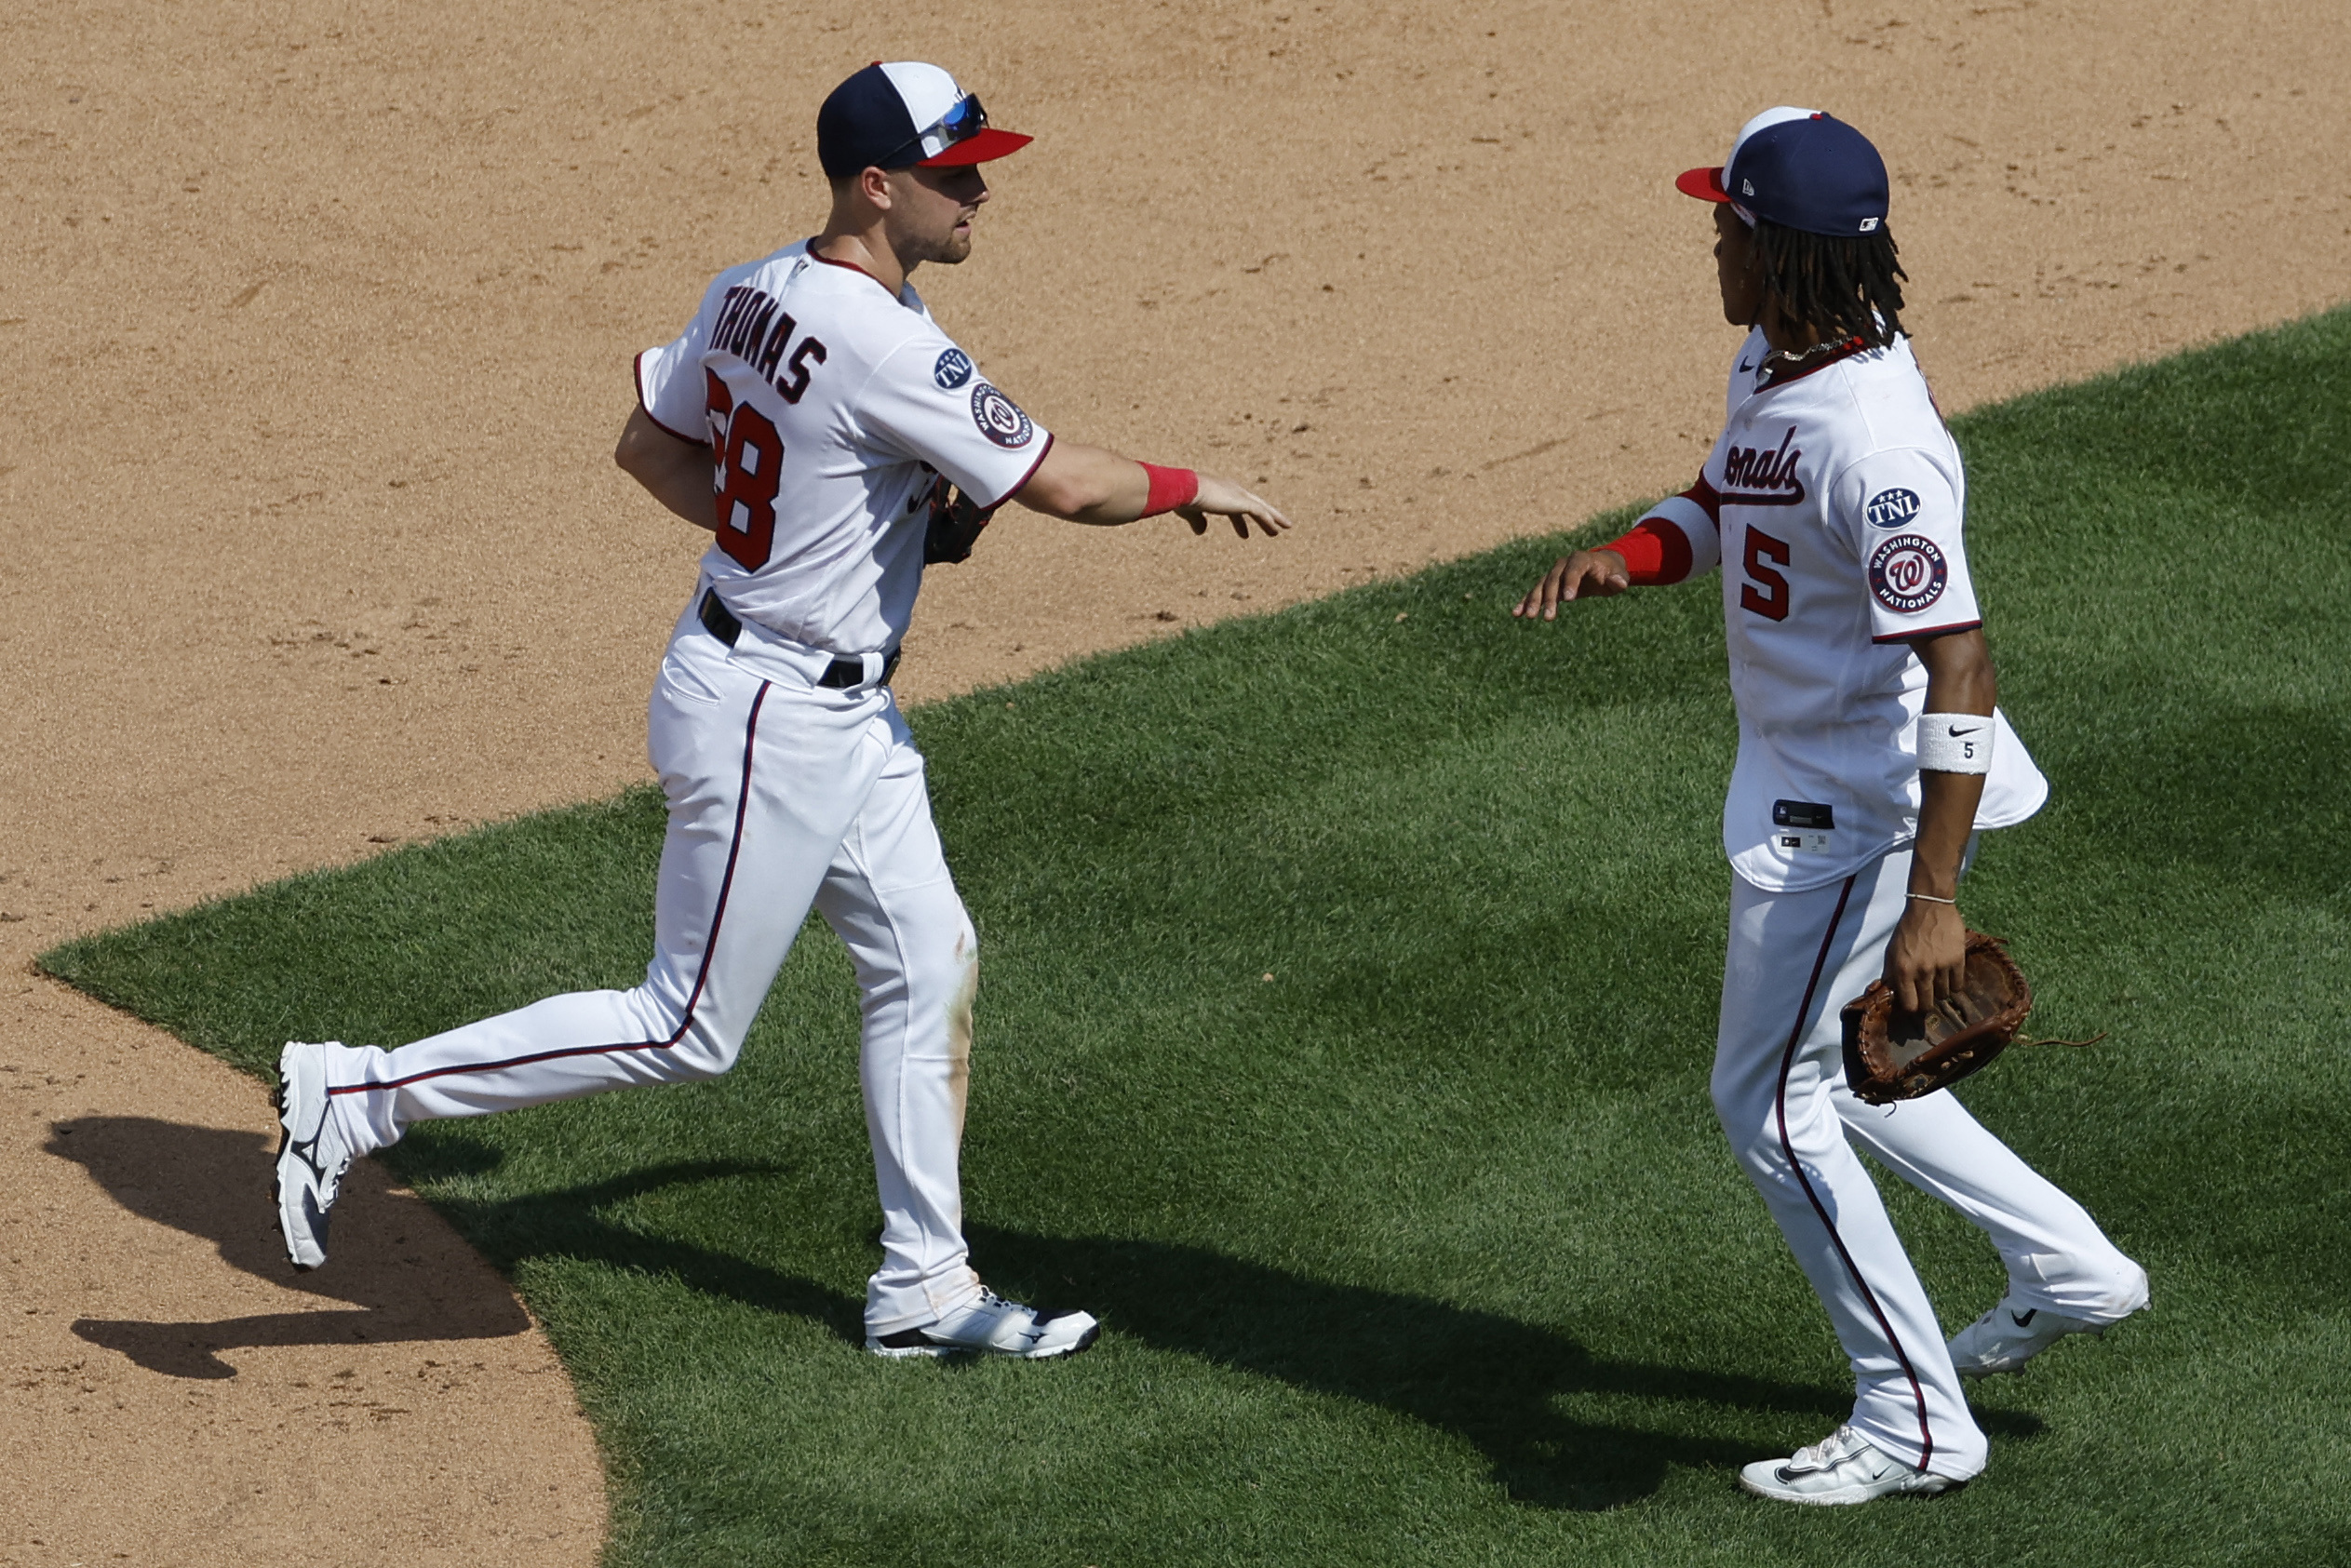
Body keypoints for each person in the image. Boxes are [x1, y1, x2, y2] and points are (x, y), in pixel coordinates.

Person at [273, 60, 1290, 1361]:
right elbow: (1062, 487)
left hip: (817, 702)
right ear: (879, 184)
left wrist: (787, 541)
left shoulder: (749, 288)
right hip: (769, 714)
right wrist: (1188, 478)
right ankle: (357, 1090)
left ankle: (923, 1285)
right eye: (953, 172)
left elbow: (651, 446)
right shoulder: (890, 339)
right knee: (686, 1027)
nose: (979, 190)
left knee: (927, 958)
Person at [1514, 107, 2145, 1503]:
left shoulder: (1876, 442)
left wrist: (1932, 896)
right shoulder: (1782, 349)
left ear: (1777, 244)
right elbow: (1729, 490)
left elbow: (1960, 658)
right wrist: (1636, 551)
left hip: (1853, 805)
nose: (1711, 240)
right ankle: (2068, 1262)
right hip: (1814, 778)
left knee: (1768, 1103)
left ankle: (1914, 1420)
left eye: (1726, 223)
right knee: (1839, 1071)